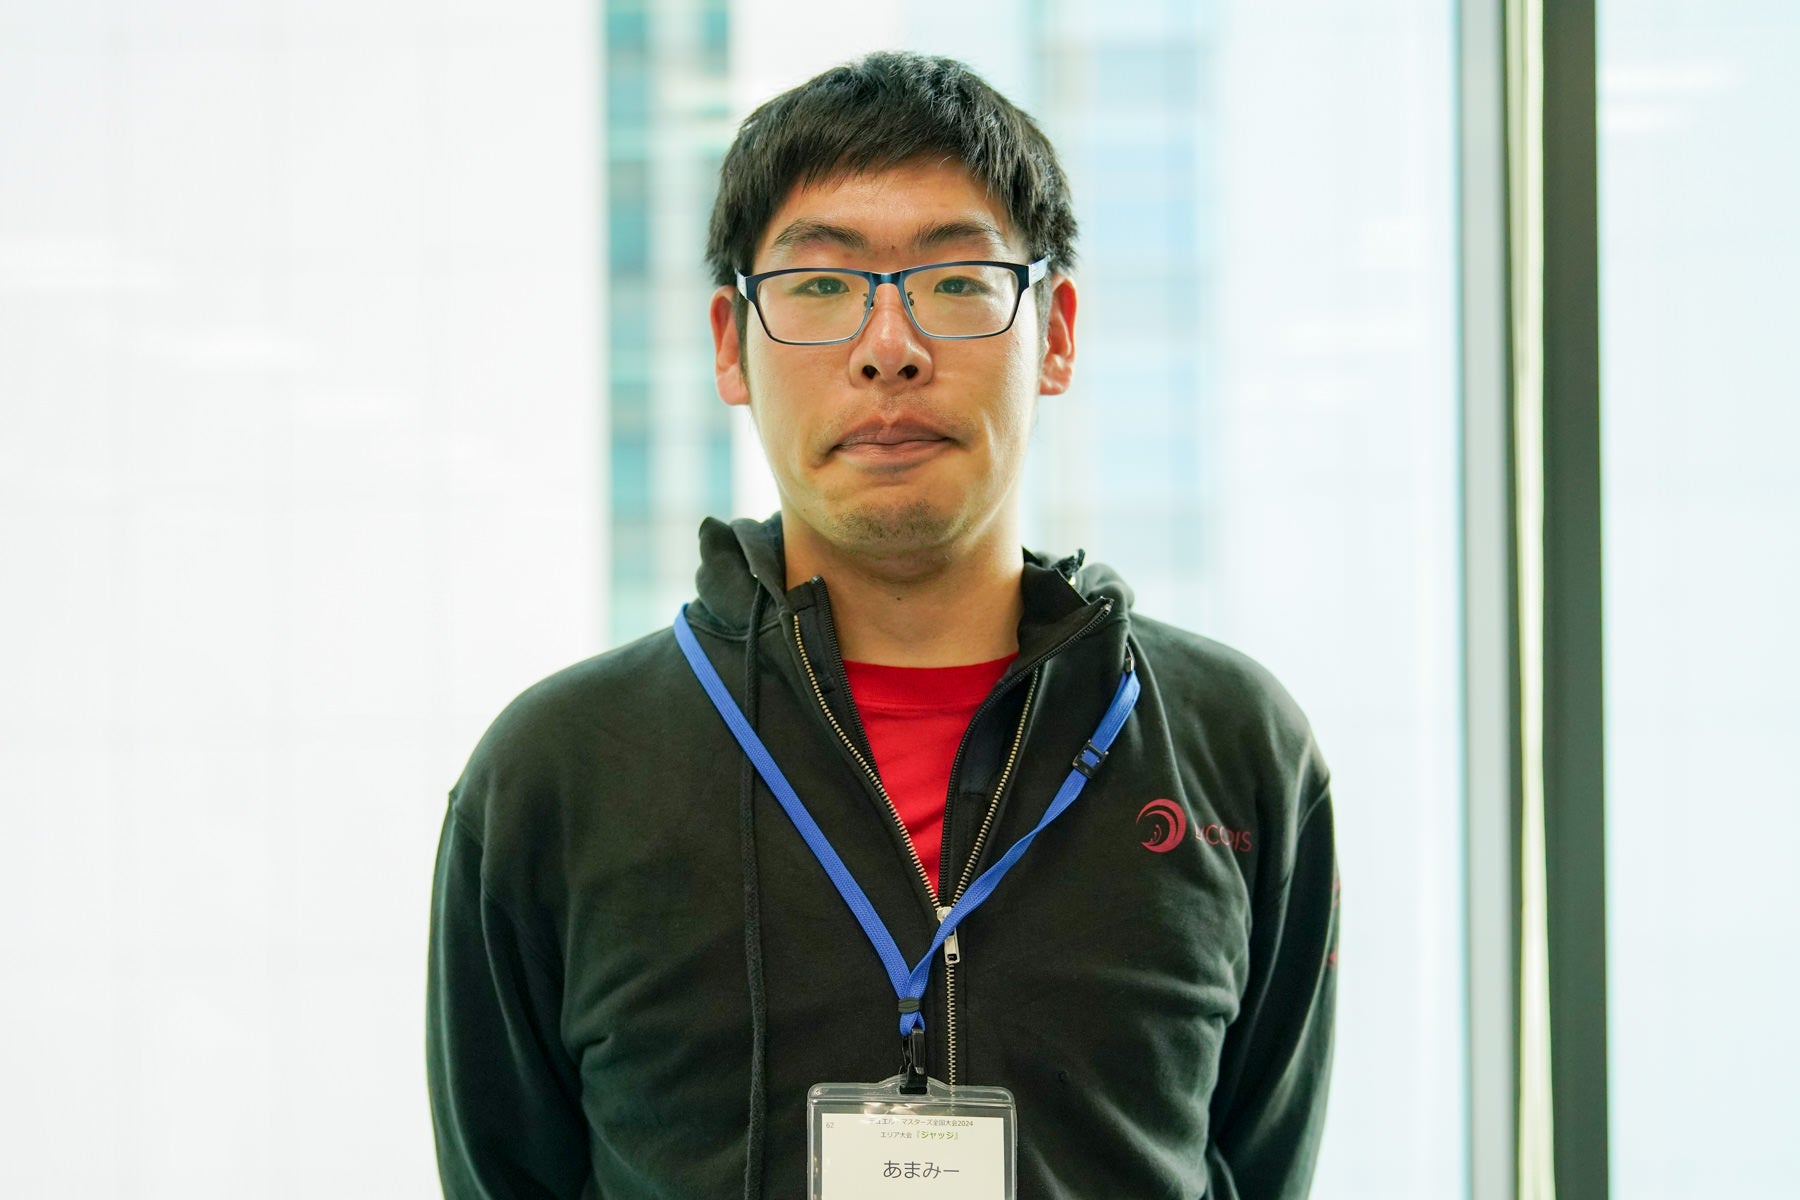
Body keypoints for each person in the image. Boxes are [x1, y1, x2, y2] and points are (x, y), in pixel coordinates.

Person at [427, 50, 1337, 1200]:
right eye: (820, 286)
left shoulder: (1233, 748)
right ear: (730, 345)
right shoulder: (557, 773)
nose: (889, 347)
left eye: (957, 281)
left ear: (1055, 333)